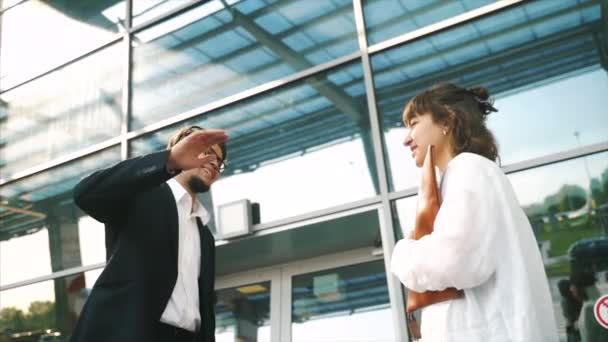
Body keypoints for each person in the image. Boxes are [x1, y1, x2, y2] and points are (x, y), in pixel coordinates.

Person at [390, 83, 558, 341]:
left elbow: (454, 260)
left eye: (413, 123)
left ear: (447, 120)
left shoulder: (469, 170)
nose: (406, 139)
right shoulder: (464, 175)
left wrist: (403, 253)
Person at [70, 126, 228, 342]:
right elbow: (85, 194)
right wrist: (170, 160)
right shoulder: (143, 193)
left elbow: (204, 306)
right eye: (207, 151)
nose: (214, 162)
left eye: (219, 161)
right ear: (178, 149)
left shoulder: (205, 235)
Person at [569, 271, 608, 342]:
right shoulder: (601, 303)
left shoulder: (589, 309)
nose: (571, 289)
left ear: (580, 287)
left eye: (572, 286)